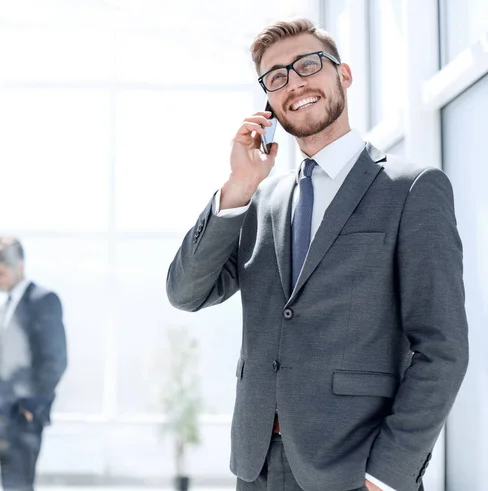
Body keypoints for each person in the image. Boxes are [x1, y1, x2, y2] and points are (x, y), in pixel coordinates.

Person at [166, 17, 468, 491]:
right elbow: (186, 292)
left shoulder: (411, 189)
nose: (295, 83)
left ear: (343, 75)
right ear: (268, 100)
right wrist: (239, 185)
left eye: (308, 65)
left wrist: (389, 471)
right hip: (257, 466)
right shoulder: (260, 201)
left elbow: (442, 347)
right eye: (277, 77)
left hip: (356, 469)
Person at [0, 237, 67, 491]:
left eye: (0, 273)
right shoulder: (3, 309)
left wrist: (33, 406)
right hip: (4, 415)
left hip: (26, 414)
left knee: (20, 484)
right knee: (9, 484)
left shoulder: (44, 300)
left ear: (18, 265)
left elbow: (56, 359)